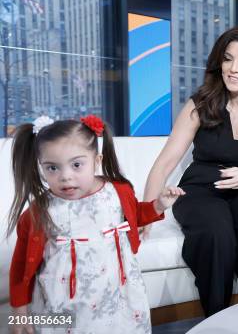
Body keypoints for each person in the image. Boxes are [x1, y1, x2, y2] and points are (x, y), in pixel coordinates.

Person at [143, 25, 238, 316]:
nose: (233, 69)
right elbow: (164, 163)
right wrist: (146, 213)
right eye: (228, 59)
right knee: (215, 233)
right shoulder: (201, 104)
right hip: (201, 190)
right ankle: (216, 319)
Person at [7, 115, 184, 334]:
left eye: (77, 165)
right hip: (63, 304)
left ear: (97, 161)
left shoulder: (117, 191)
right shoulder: (39, 211)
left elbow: (134, 215)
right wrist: (19, 312)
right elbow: (21, 264)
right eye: (52, 168)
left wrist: (158, 205)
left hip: (120, 295)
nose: (65, 176)